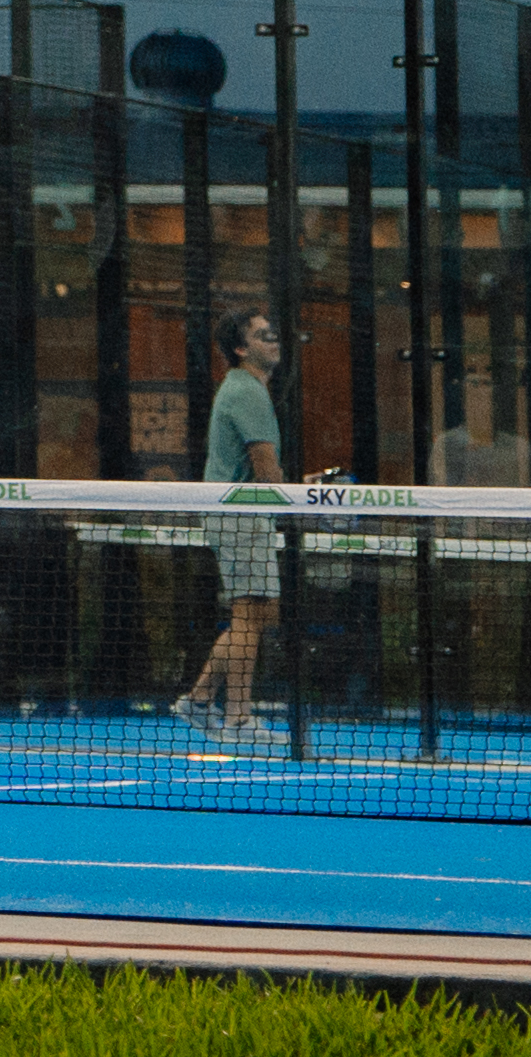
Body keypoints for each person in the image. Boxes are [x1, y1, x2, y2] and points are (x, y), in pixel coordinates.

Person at [172, 308, 290, 744]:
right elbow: (265, 470)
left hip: (240, 511)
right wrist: (300, 500)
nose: (274, 340)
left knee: (259, 612)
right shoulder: (247, 392)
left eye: (273, 333)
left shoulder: (243, 389)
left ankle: (200, 699)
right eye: (263, 335)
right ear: (241, 349)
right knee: (249, 612)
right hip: (240, 513)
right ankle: (238, 719)